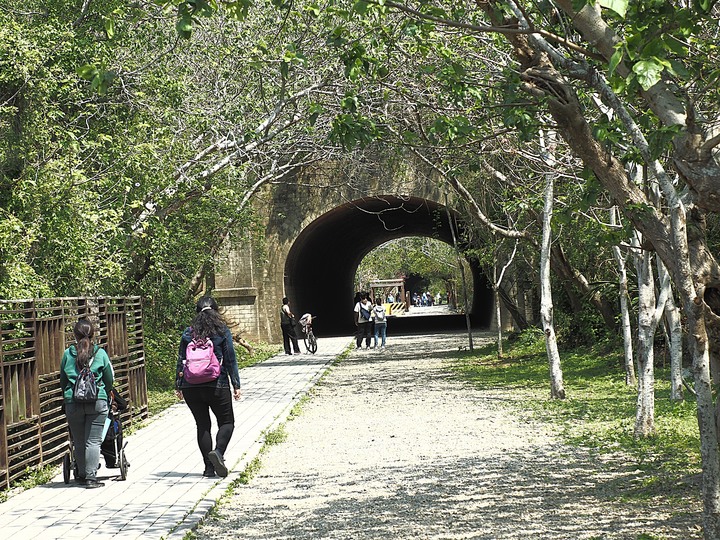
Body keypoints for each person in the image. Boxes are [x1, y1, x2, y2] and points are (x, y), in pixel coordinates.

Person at [175, 296, 242, 478]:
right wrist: (236, 384)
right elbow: (230, 359)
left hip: (191, 386)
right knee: (227, 422)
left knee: (202, 425)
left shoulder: (188, 333)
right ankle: (218, 453)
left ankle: (208, 468)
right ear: (216, 311)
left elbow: (181, 360)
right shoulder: (221, 331)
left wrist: (178, 385)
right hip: (216, 384)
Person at [59, 318, 114, 488]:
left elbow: (62, 380)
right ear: (93, 335)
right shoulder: (100, 353)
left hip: (73, 402)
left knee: (79, 439)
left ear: (75, 335)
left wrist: (67, 395)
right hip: (97, 401)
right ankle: (91, 478)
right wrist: (106, 391)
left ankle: (81, 474)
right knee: (93, 441)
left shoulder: (68, 354)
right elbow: (109, 379)